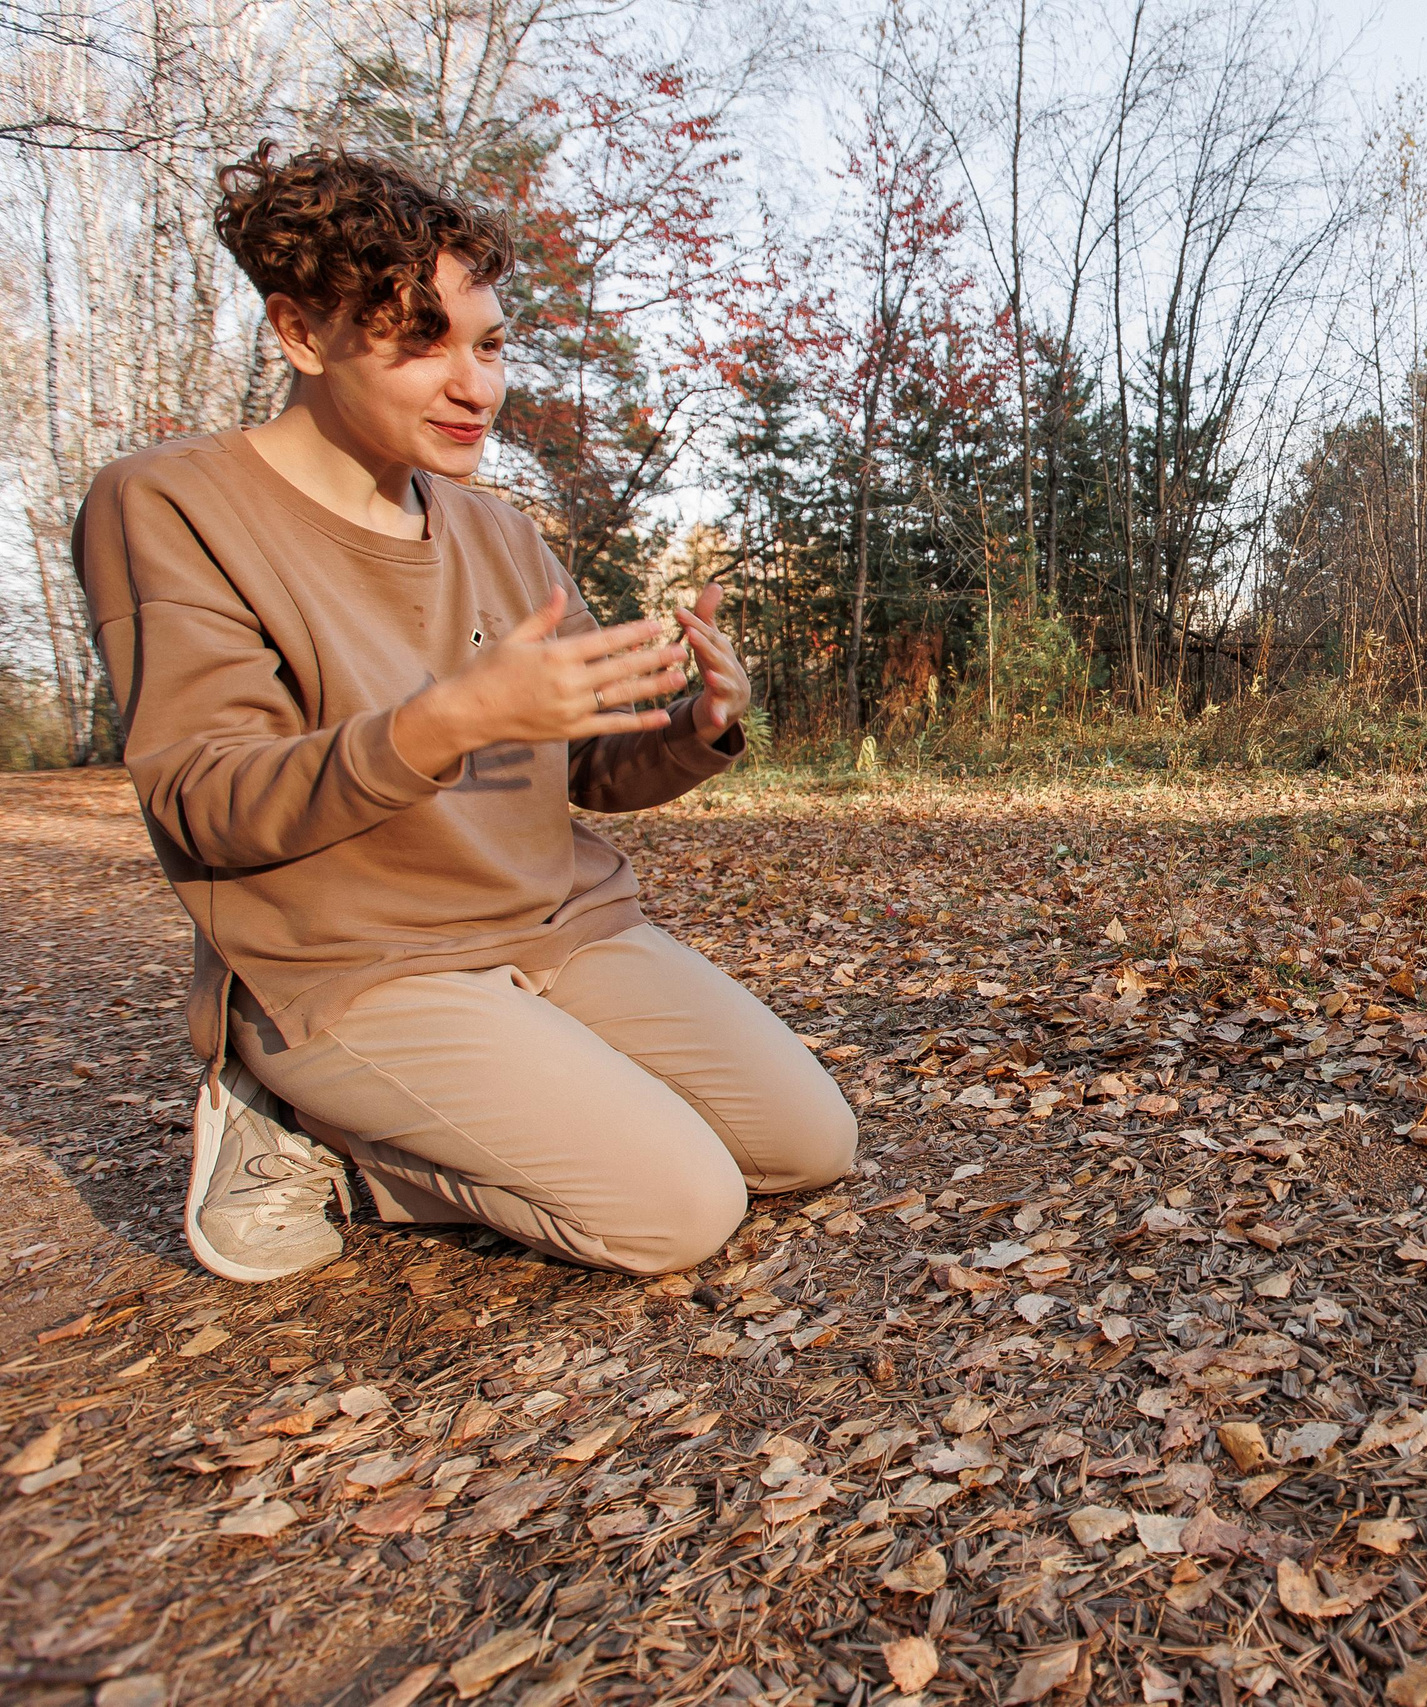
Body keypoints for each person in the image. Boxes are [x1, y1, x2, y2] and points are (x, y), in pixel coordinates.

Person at [74, 145, 857, 1283]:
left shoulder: (501, 531)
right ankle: (310, 1129)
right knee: (679, 1211)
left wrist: (691, 725)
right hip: (356, 960)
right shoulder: (169, 501)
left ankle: (518, 1079)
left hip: (558, 927)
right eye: (419, 342)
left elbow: (586, 768)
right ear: (300, 335)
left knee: (807, 1145)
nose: (476, 386)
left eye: (488, 344)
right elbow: (206, 803)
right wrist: (448, 720)